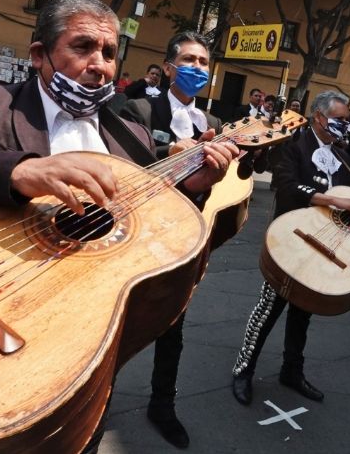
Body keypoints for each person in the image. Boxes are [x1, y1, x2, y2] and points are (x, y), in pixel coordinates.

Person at [0, 0, 237, 452]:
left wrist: (193, 185)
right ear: (39, 54)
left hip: (79, 339)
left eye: (109, 53)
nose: (100, 65)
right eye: (82, 47)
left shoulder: (132, 136)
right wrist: (20, 170)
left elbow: (154, 220)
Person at [230, 91, 350, 406]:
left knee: (303, 311)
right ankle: (243, 369)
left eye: (347, 120)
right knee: (268, 308)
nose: (345, 125)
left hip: (325, 242)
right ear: (319, 117)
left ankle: (292, 371)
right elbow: (286, 184)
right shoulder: (293, 143)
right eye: (340, 119)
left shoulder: (343, 157)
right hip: (292, 238)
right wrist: (330, 199)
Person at [120, 30, 223, 449]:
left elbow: (219, 184)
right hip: (136, 235)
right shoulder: (140, 109)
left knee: (173, 328)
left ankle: (163, 404)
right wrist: (171, 151)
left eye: (203, 62)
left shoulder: (214, 125)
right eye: (190, 60)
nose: (198, 68)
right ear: (168, 68)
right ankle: (93, 399)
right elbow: (125, 164)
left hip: (185, 239)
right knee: (117, 325)